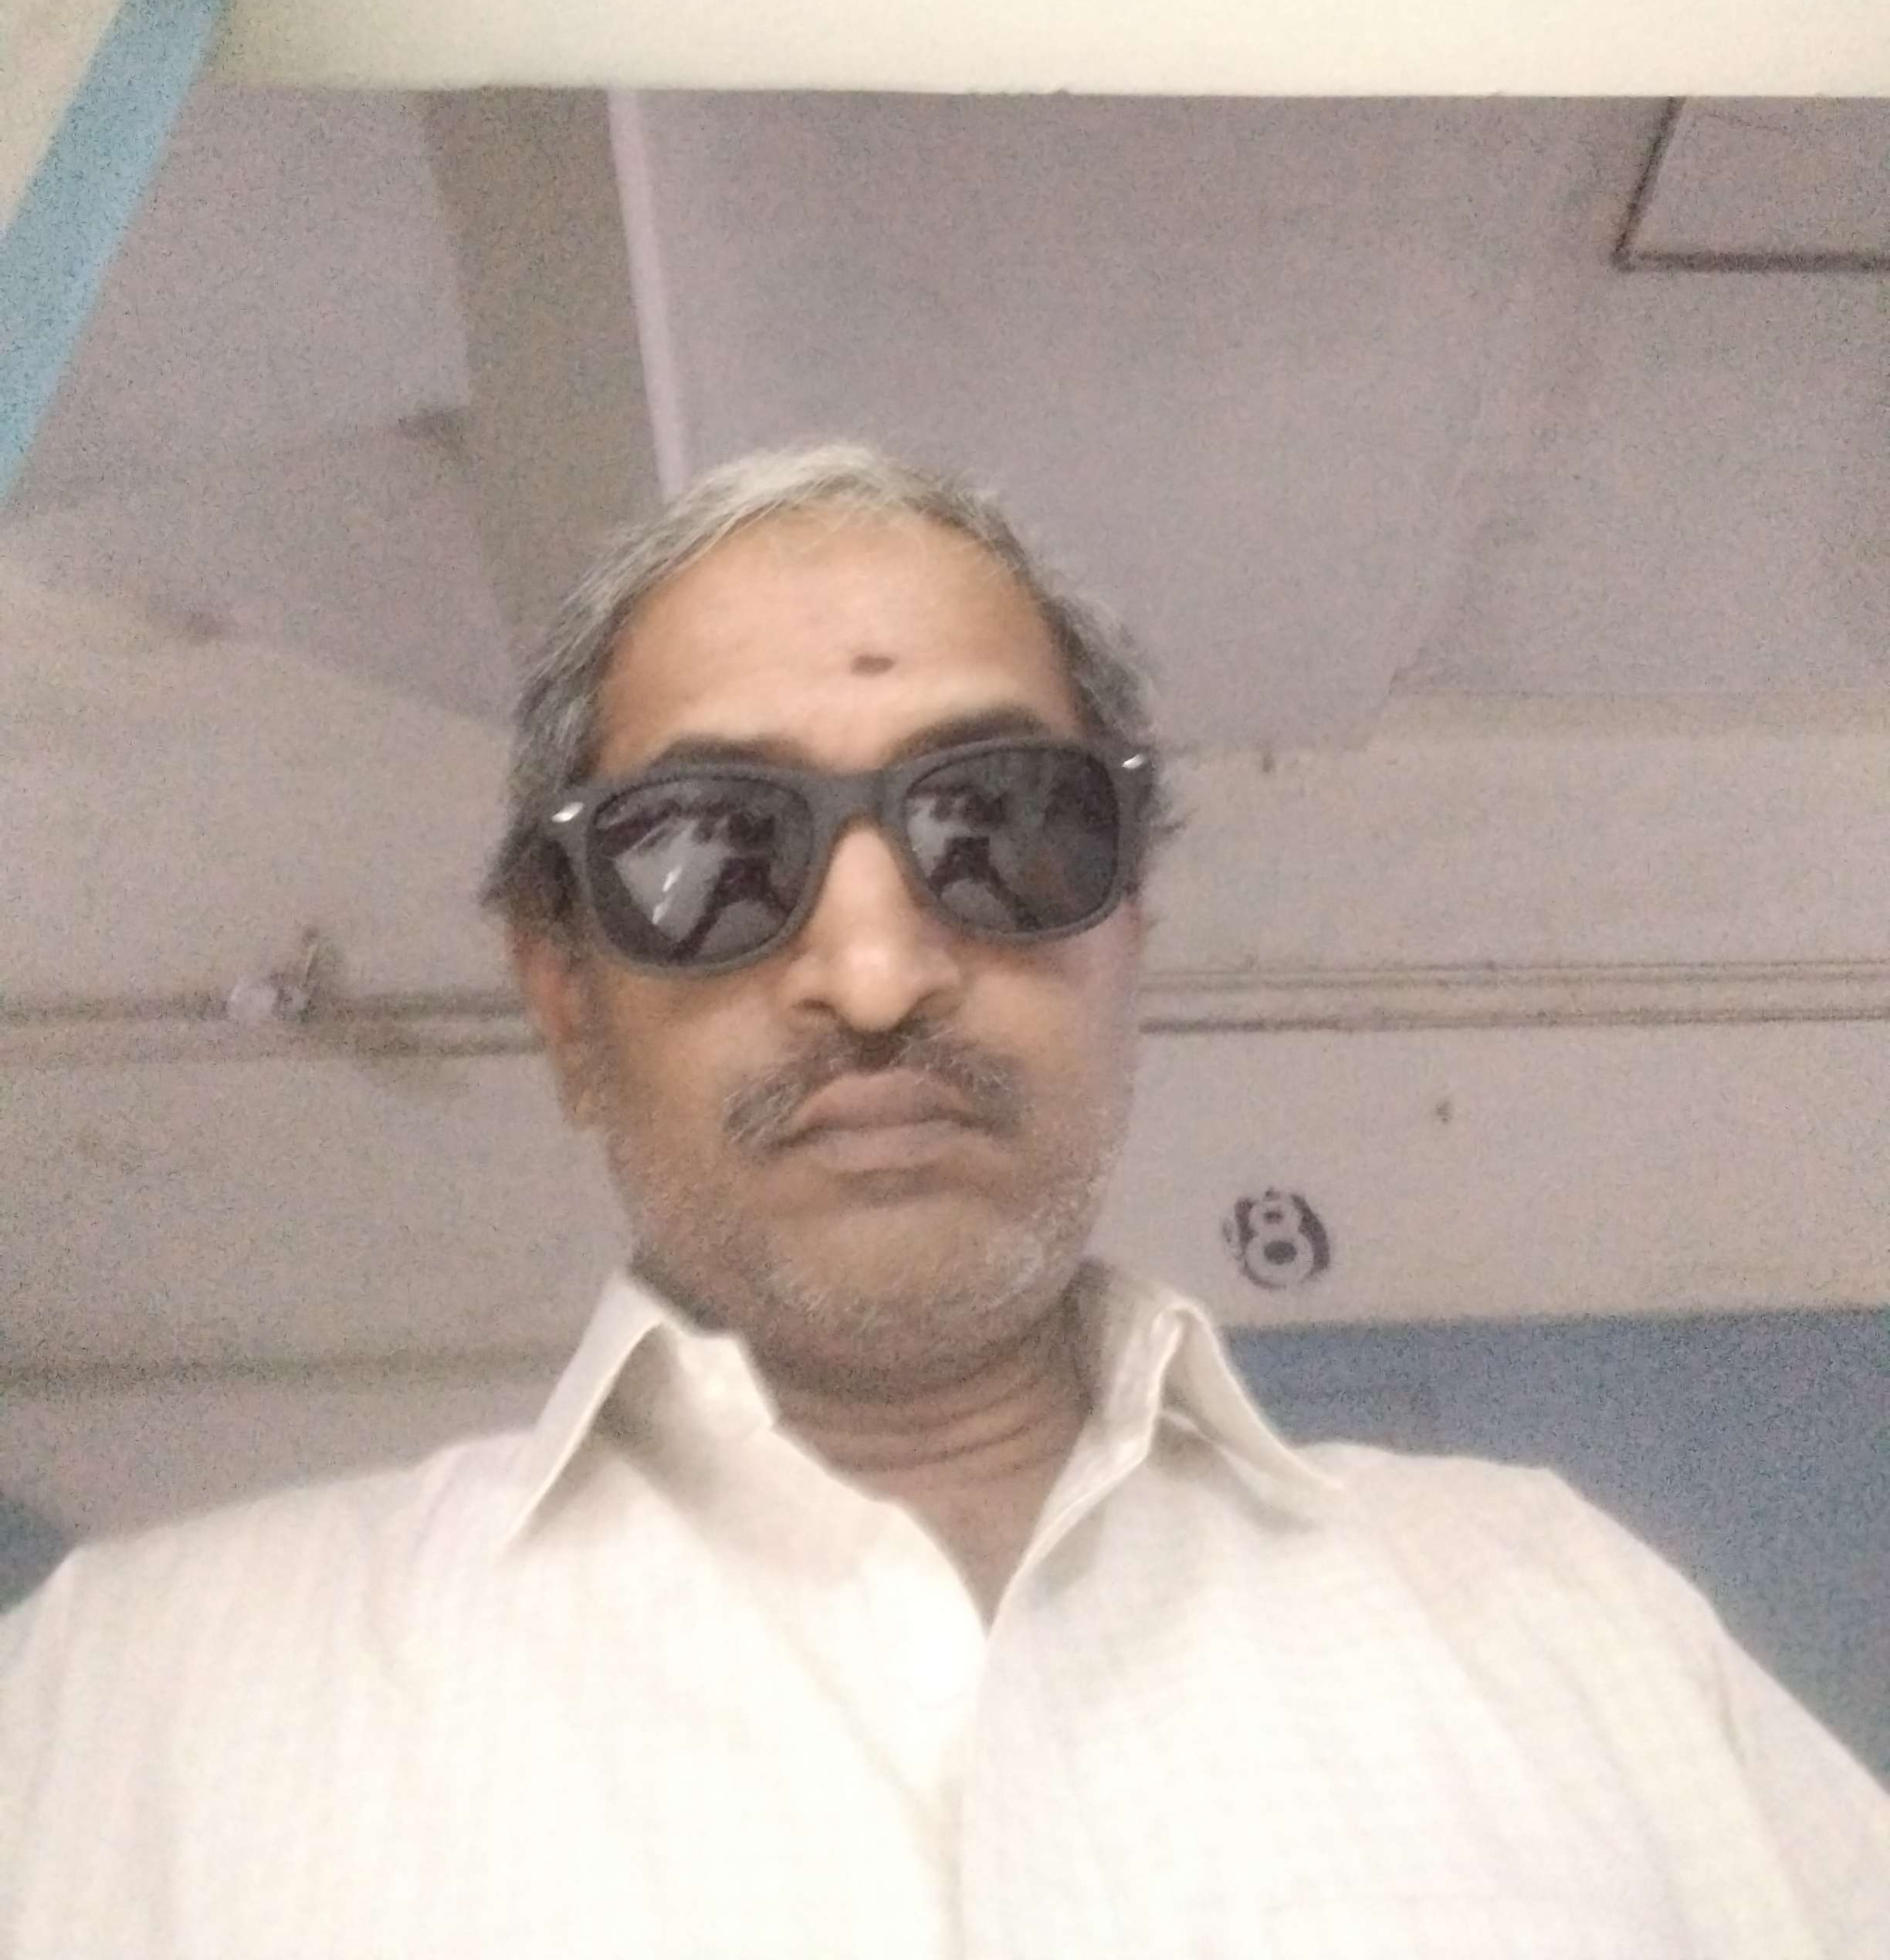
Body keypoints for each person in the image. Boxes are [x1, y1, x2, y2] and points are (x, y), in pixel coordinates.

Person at [2, 442, 1887, 1958]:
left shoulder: (1555, 1611)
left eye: (1004, 822)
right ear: (566, 994)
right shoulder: (134, 1703)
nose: (877, 972)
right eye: (707, 850)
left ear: (1130, 929)